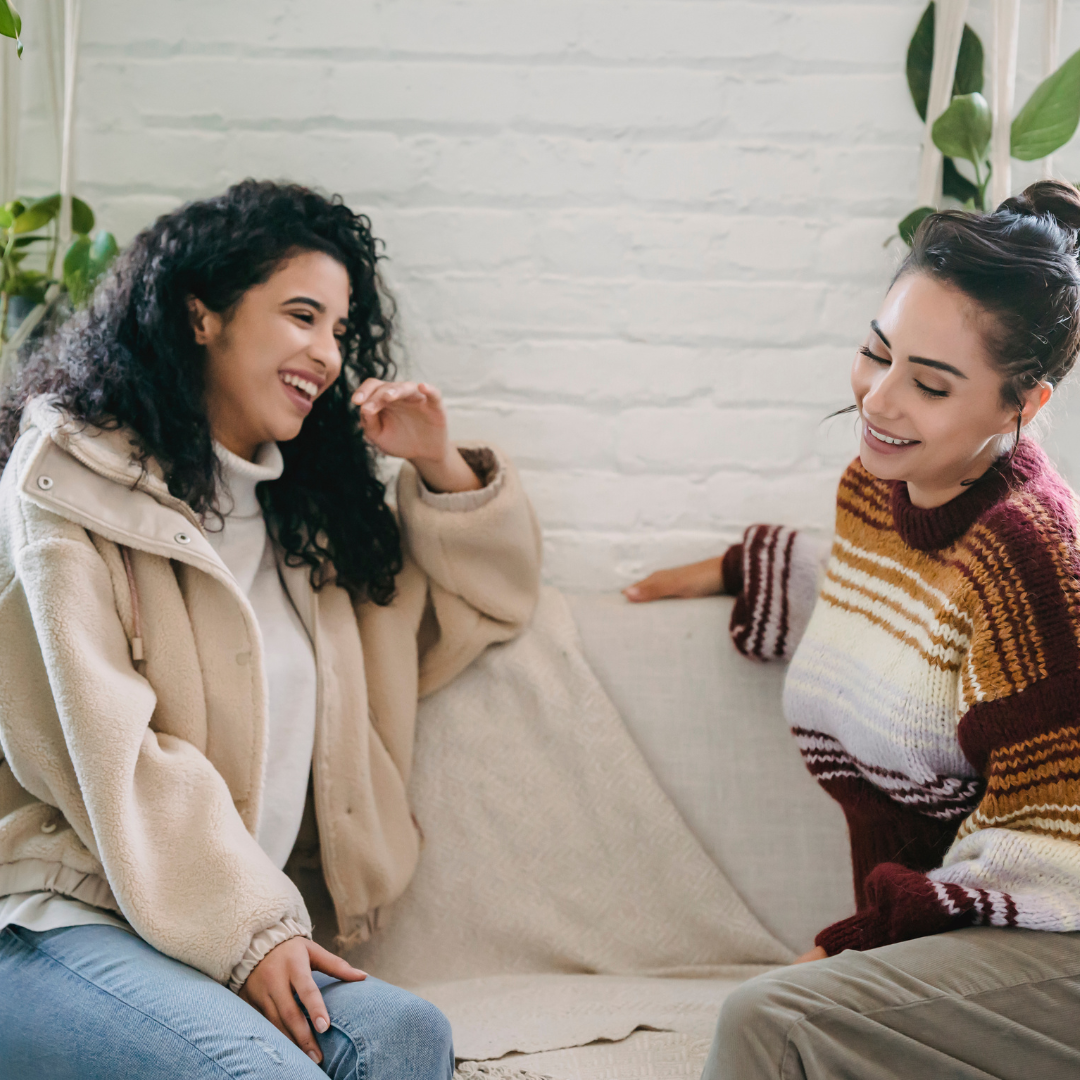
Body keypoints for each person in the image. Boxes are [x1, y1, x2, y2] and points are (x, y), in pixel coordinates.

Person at [0, 179, 542, 1079]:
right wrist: (251, 929)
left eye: (339, 328)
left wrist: (438, 463)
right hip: (65, 913)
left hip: (223, 934)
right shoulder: (66, 484)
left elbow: (488, 605)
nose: (327, 353)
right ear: (202, 311)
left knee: (411, 1035)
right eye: (301, 315)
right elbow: (108, 754)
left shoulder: (310, 531)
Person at [626, 180, 1080, 1078]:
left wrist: (866, 938)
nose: (879, 399)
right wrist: (737, 571)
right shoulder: (882, 489)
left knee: (771, 1020)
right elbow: (894, 610)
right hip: (950, 937)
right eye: (877, 352)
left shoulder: (1035, 559)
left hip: (1054, 935)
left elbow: (1055, 842)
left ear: (1022, 406)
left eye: (931, 383)